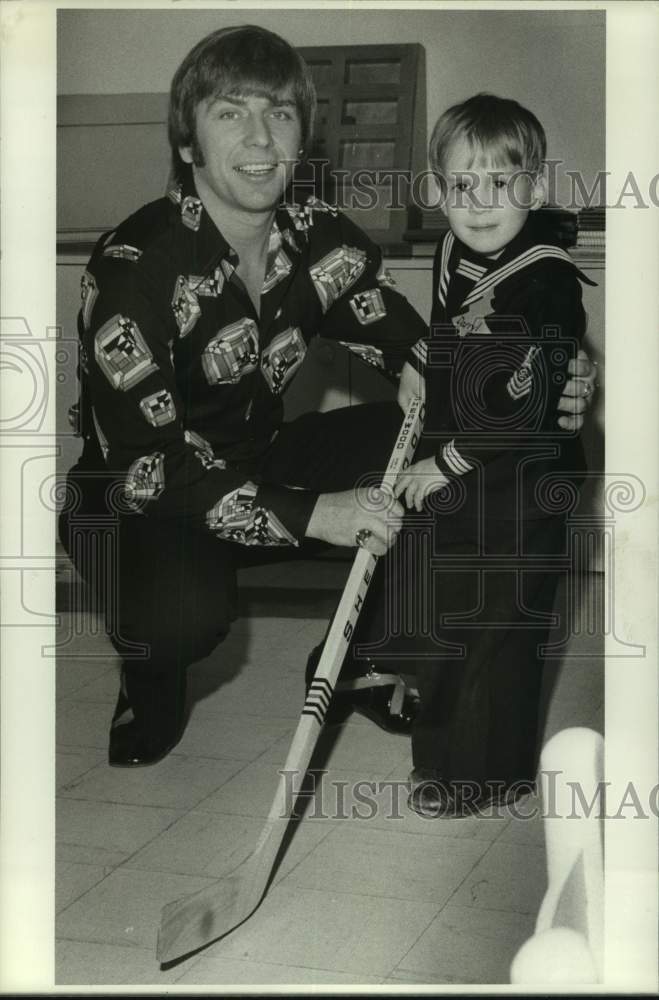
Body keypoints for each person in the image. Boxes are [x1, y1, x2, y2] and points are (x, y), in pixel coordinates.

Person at [59, 28, 595, 768]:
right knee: (184, 614)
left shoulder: (320, 241)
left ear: (302, 137)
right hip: (141, 495)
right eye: (229, 113)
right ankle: (150, 678)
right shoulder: (134, 268)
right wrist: (323, 513)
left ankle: (360, 657)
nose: (259, 137)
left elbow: (426, 358)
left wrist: (553, 379)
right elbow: (150, 466)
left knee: (450, 458)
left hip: (261, 458)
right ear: (187, 142)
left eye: (278, 114)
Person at [351, 93, 598, 817]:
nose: (479, 202)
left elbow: (523, 406)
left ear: (537, 185)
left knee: (499, 631)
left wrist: (443, 465)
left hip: (525, 480)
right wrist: (416, 360)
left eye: (501, 183)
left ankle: (481, 775)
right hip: (469, 467)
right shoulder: (451, 247)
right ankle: (428, 733)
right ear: (436, 189)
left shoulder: (548, 283)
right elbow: (449, 326)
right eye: (461, 185)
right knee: (443, 604)